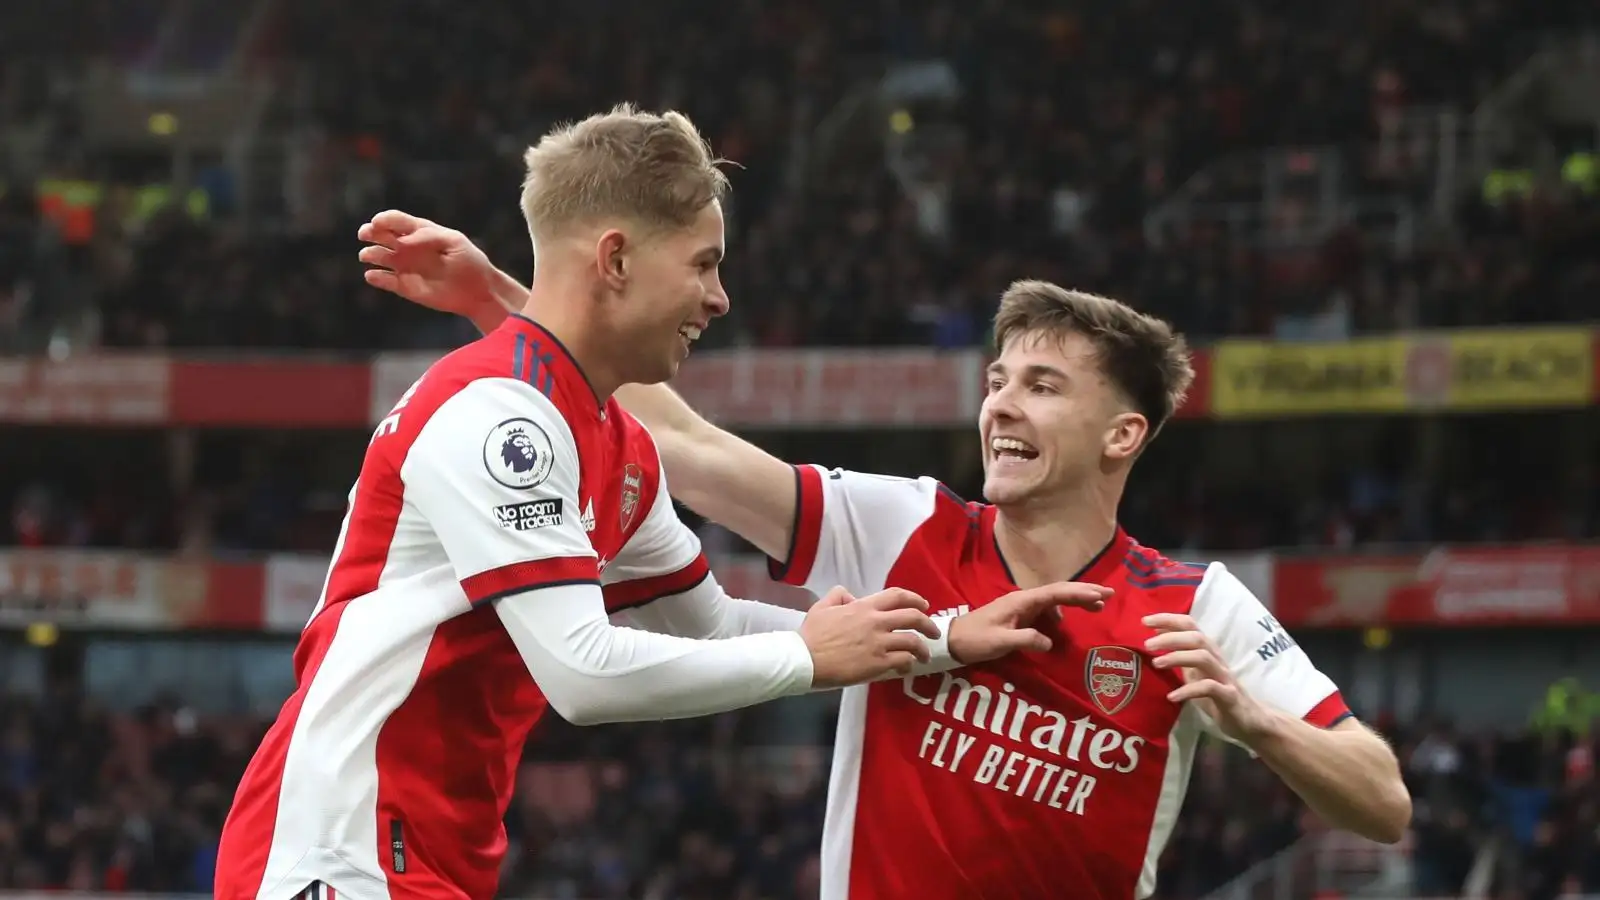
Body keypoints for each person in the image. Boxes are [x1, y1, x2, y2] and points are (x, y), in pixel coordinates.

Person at [216, 106, 1109, 900]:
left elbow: (706, 626)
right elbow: (583, 673)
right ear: (615, 259)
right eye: (705, 265)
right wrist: (809, 658)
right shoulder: (495, 417)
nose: (719, 299)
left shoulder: (619, 444)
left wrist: (941, 637)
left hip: (431, 850)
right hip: (335, 848)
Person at [357, 234, 1413, 897]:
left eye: (1043, 386)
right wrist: (515, 301)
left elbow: (1384, 801)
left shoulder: (1198, 609)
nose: (1002, 404)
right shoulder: (902, 529)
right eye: (998, 380)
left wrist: (1257, 722)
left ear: (1122, 436)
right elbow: (691, 447)